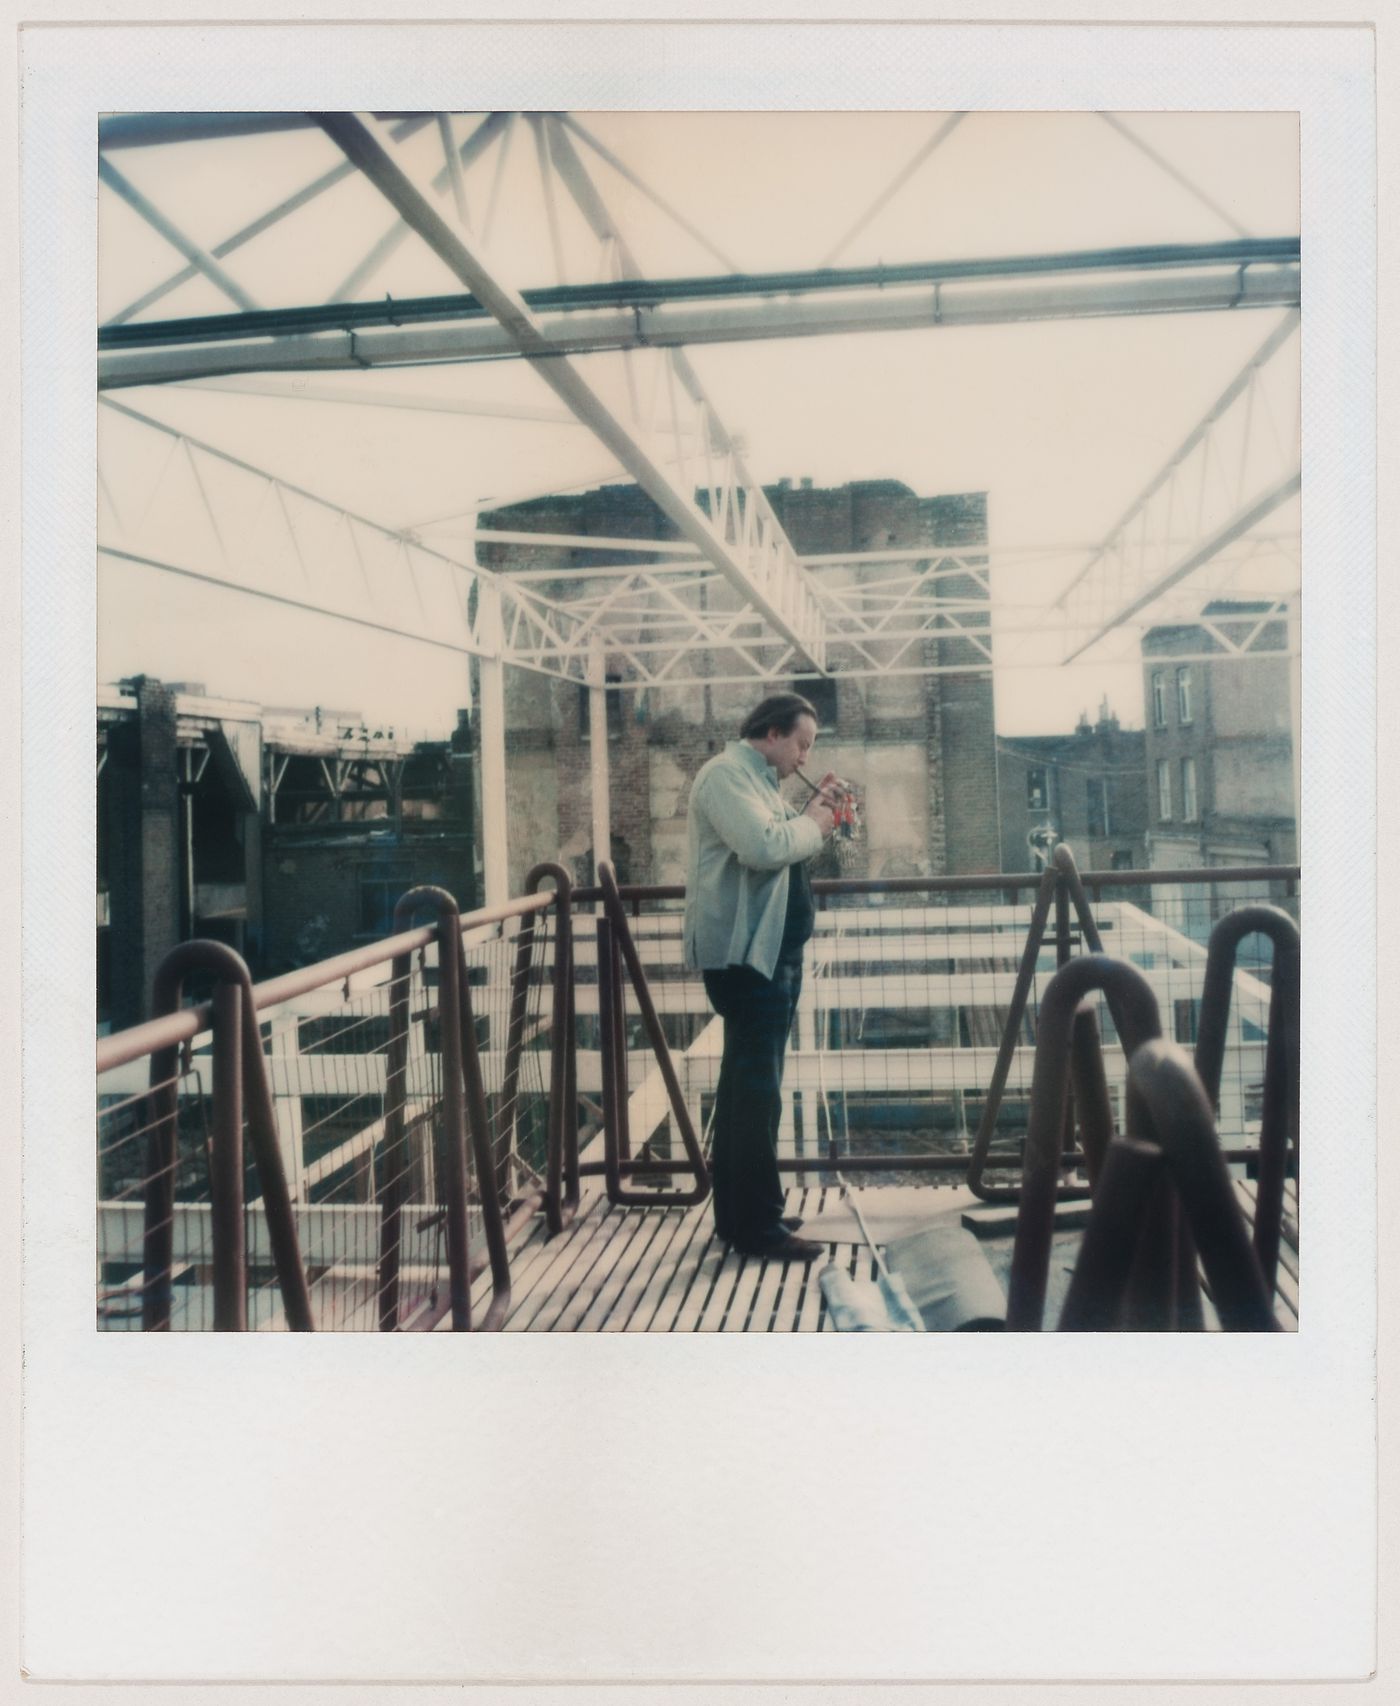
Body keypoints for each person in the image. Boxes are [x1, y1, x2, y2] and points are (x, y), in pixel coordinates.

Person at [683, 693, 838, 1261]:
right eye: (802, 743)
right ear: (771, 733)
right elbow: (764, 847)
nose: (803, 756)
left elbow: (778, 852)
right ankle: (757, 1228)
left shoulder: (758, 781)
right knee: (755, 1094)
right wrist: (816, 822)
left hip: (766, 956)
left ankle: (744, 1214)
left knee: (749, 1092)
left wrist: (813, 816)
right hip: (748, 961)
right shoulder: (725, 777)